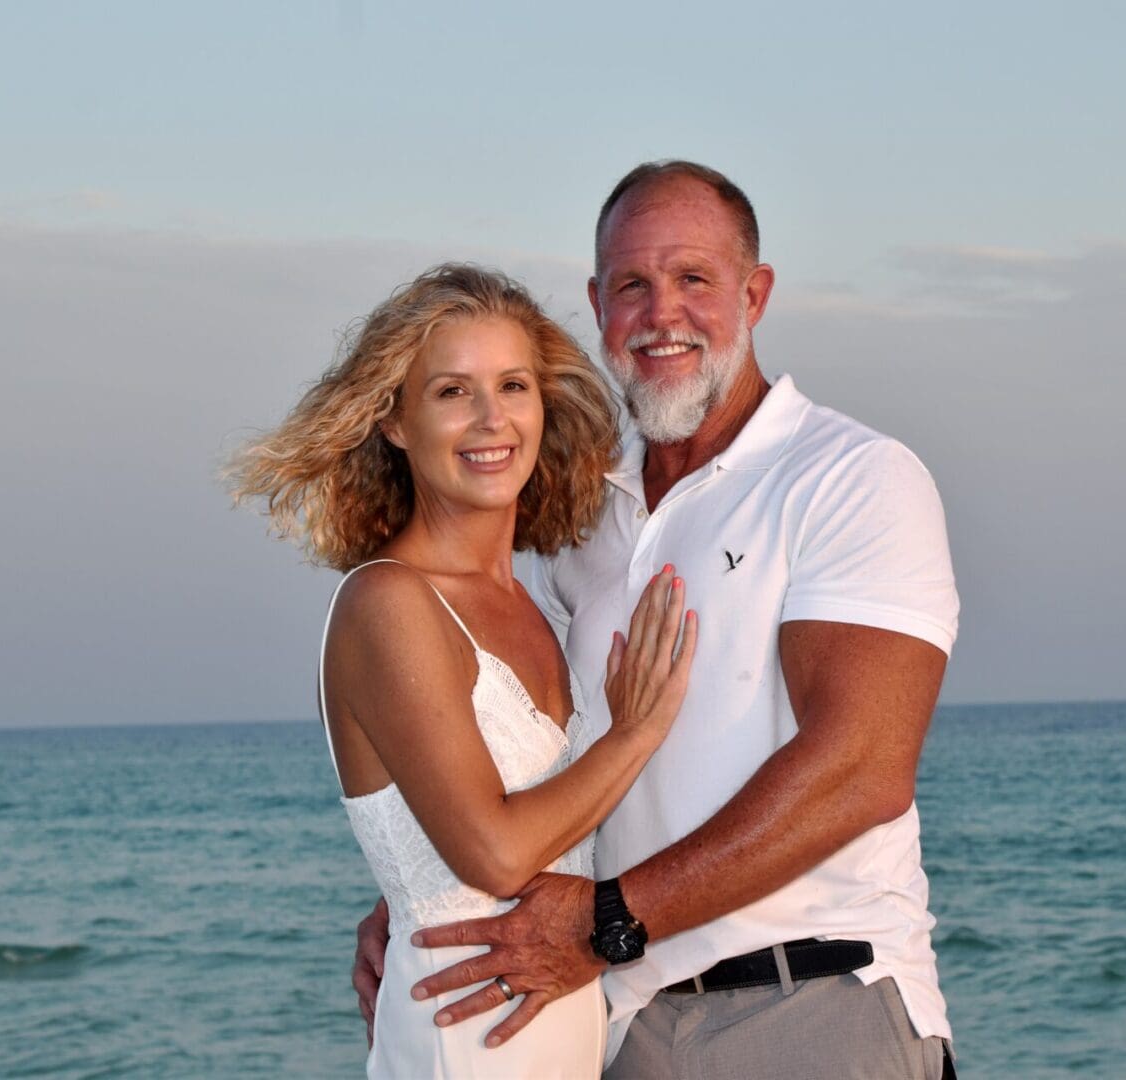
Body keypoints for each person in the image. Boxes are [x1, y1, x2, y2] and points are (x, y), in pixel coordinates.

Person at [353, 163, 962, 1078]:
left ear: (754, 295)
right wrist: (429, 894)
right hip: (617, 1023)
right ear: (598, 305)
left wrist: (608, 920)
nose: (661, 313)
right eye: (632, 285)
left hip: (809, 1003)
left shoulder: (849, 478)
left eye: (694, 279)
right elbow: (532, 747)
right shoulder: (576, 510)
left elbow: (860, 770)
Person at [230, 263, 699, 1078]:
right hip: (462, 1044)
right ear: (394, 421)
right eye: (452, 391)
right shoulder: (387, 602)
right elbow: (496, 855)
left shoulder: (542, 605)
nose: (492, 419)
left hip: (565, 1039)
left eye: (513, 385)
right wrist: (634, 734)